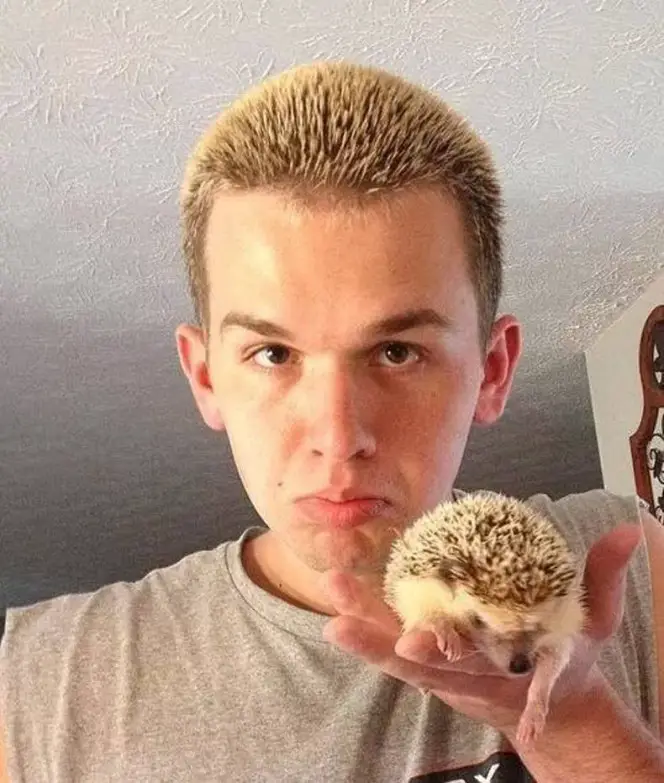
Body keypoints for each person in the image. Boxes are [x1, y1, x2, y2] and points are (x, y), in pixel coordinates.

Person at [1, 60, 663, 782]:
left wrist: (576, 721)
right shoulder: (33, 683)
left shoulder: (634, 575)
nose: (339, 438)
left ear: (493, 370)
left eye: (397, 351)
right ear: (205, 377)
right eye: (273, 353)